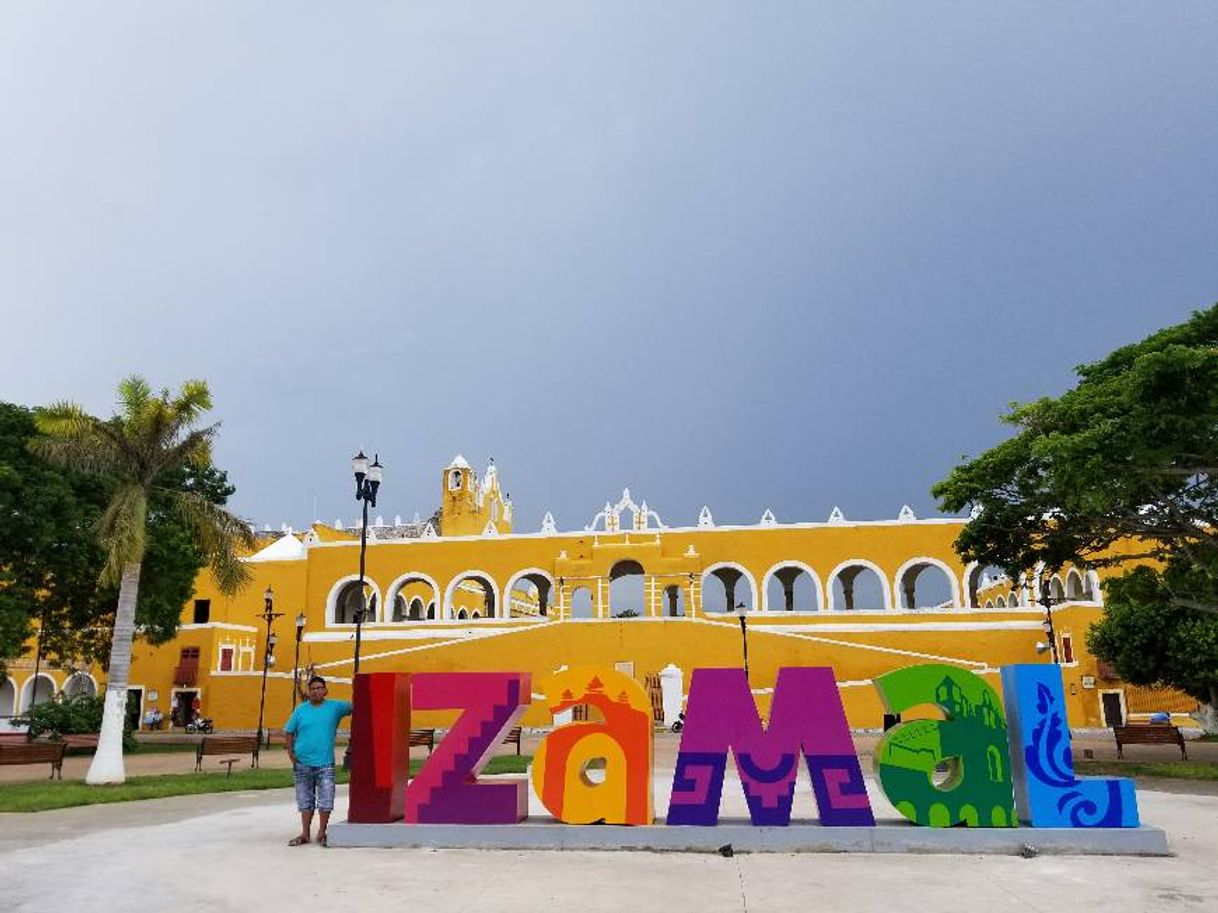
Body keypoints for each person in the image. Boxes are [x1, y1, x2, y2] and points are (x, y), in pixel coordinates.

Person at [284, 674, 351, 847]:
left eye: (320, 688)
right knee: (305, 800)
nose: (316, 691)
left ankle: (322, 832)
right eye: (313, 689)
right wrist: (291, 754)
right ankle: (305, 833)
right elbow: (289, 732)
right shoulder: (300, 710)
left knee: (326, 798)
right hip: (302, 762)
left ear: (325, 690)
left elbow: (356, 706)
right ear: (309, 691)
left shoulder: (335, 707)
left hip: (325, 763)